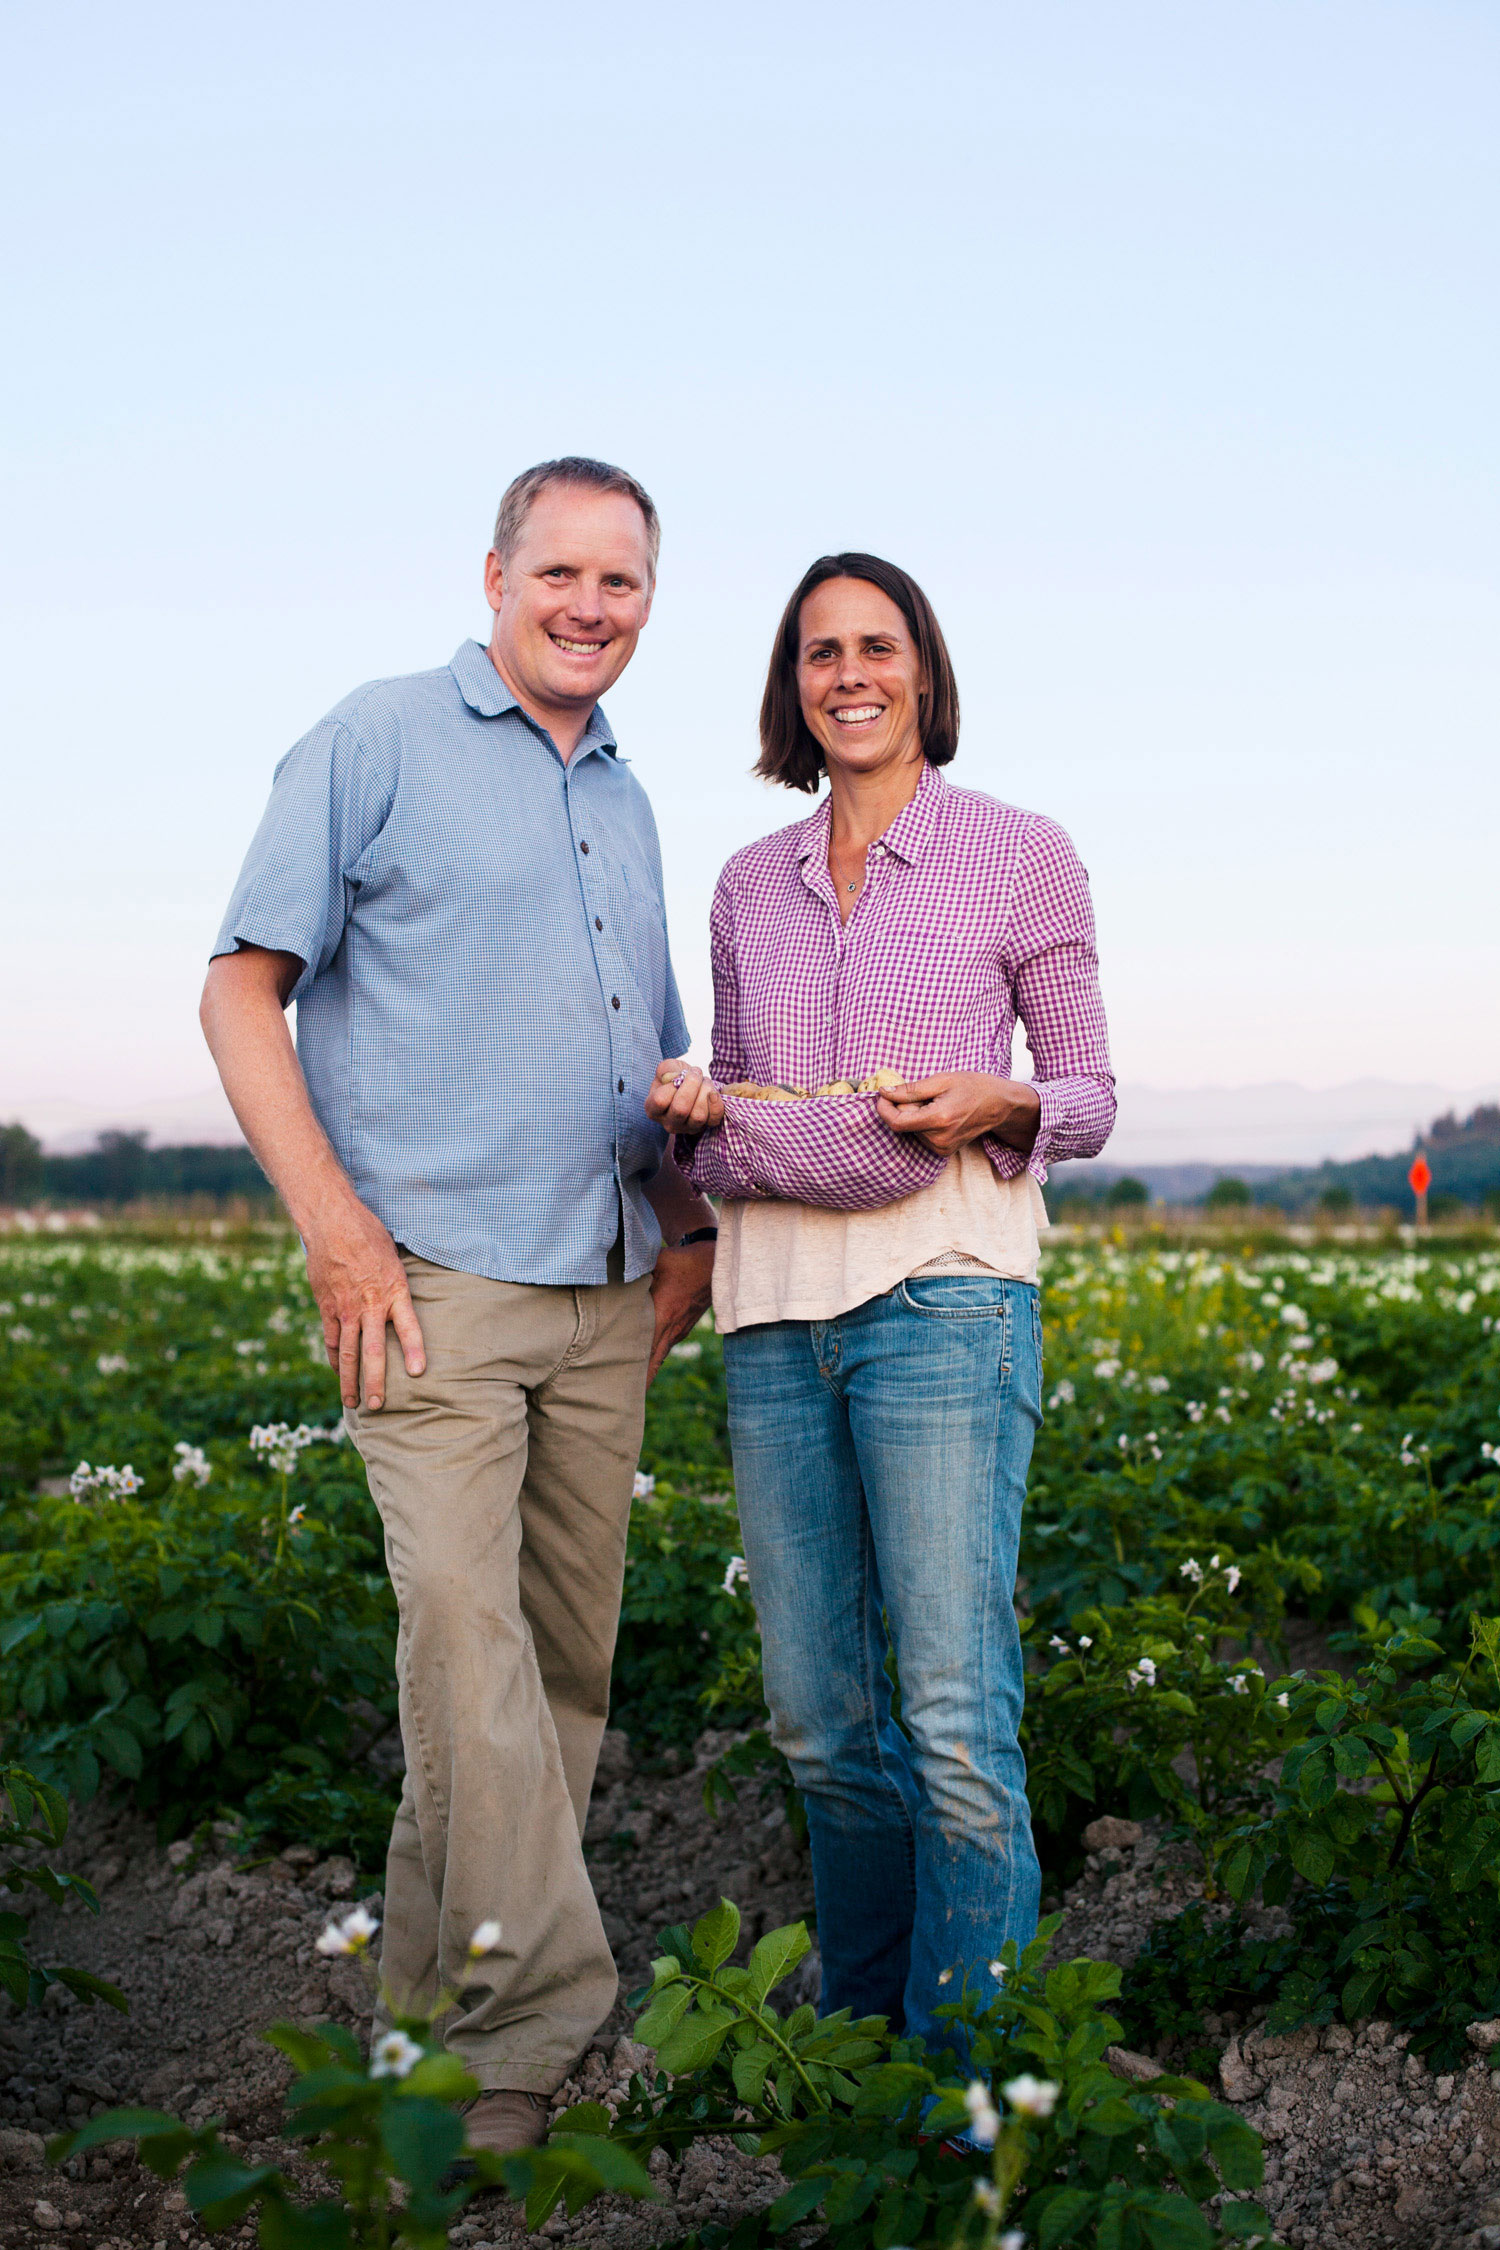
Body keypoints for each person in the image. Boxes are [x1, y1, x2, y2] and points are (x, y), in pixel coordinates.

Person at [200, 458, 718, 2151]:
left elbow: (627, 1047)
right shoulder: (375, 737)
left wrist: (686, 1224)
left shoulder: (630, 800)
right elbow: (237, 990)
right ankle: (535, 2036)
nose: (589, 607)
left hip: (606, 1283)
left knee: (555, 1667)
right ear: (493, 573)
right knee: (466, 1636)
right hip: (424, 1284)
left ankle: (434, 2010)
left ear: (649, 600)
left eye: (622, 583)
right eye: (560, 572)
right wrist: (335, 1228)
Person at [648, 552, 1114, 2053]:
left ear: (925, 671)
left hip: (947, 1303)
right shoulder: (744, 883)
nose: (848, 674)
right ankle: (861, 2060)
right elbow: (732, 1113)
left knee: (957, 1725)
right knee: (823, 1728)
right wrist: (707, 1113)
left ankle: (968, 2095)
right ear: (793, 686)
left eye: (876, 647)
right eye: (819, 652)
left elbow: (1092, 1093)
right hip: (776, 1314)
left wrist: (1001, 1096)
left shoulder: (1018, 852)